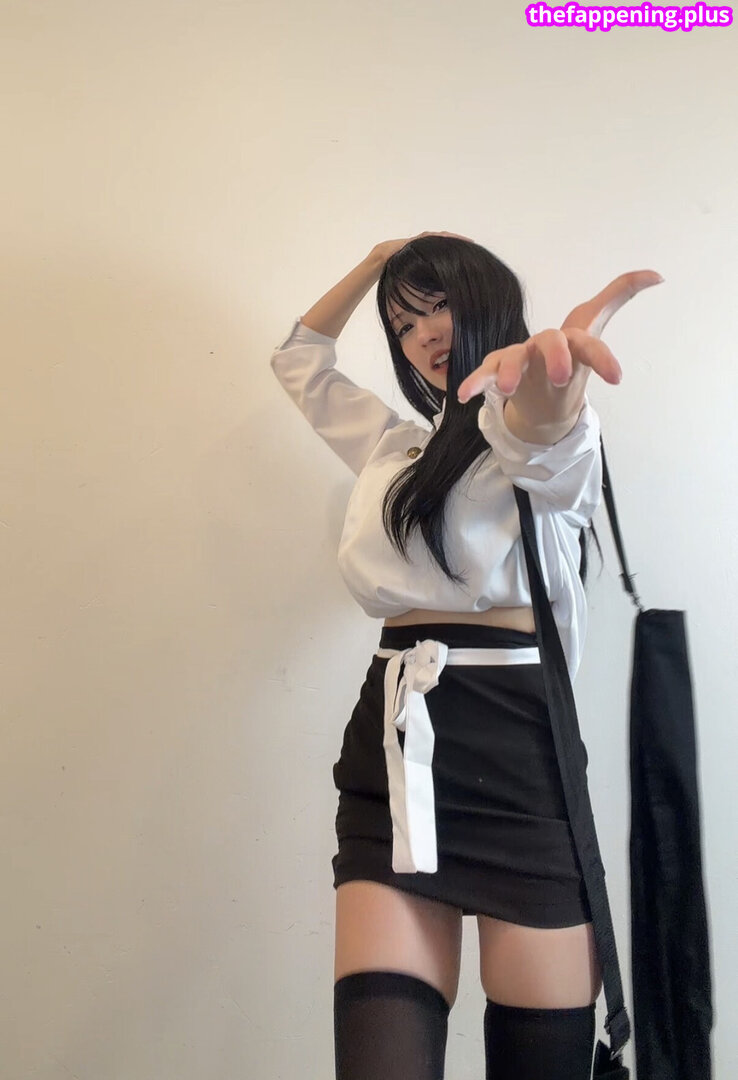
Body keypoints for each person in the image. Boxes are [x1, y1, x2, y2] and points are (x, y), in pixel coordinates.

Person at [269, 233, 661, 1080]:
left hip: (520, 759)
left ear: (486, 300)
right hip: (393, 752)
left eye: (438, 304)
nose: (424, 334)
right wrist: (376, 264)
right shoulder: (395, 451)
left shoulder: (530, 440)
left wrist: (554, 383)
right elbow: (300, 361)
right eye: (404, 324)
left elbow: (544, 434)